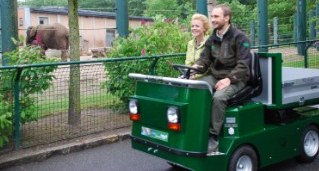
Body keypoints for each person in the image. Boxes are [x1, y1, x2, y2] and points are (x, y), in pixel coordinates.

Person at [192, 4, 251, 153]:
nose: (212, 19)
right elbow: (204, 60)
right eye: (212, 16)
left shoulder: (240, 37)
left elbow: (243, 65)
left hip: (238, 78)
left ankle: (213, 137)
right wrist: (194, 69)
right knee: (195, 87)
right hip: (216, 75)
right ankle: (197, 128)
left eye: (216, 16)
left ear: (227, 18)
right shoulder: (213, 38)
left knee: (218, 97)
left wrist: (229, 79)